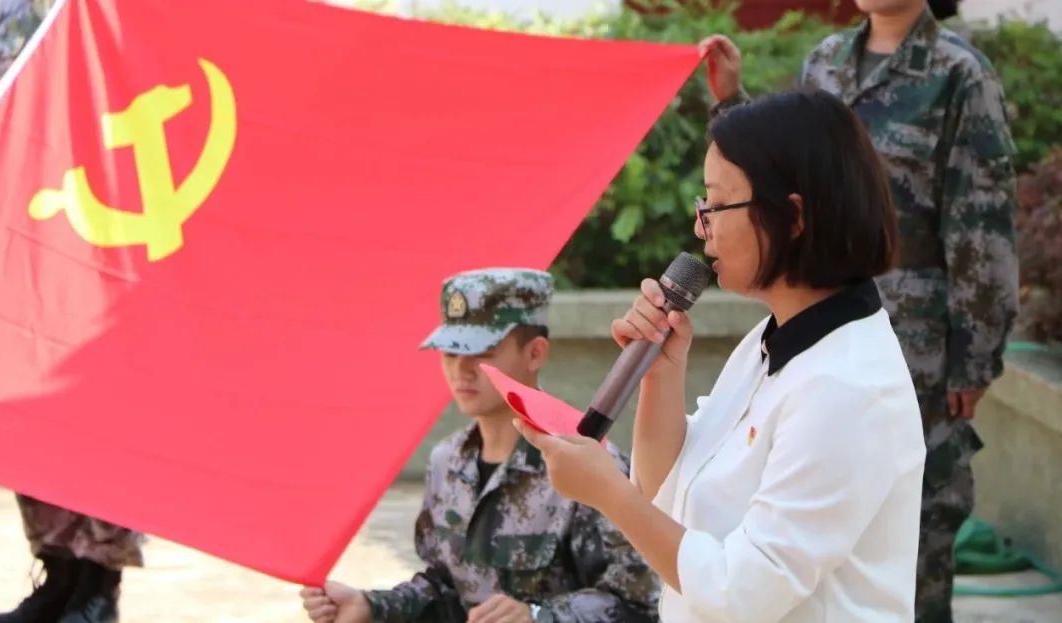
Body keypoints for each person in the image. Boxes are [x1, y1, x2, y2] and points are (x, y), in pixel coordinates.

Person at [517, 90, 926, 622]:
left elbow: (744, 592)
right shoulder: (772, 340)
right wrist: (660, 375)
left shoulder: (847, 387)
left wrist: (609, 495)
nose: (700, 226)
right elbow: (668, 495)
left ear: (793, 217)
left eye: (715, 205)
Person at [697, 1, 1019, 620]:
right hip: (817, 320)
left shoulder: (959, 73)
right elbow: (781, 177)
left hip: (920, 342)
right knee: (807, 540)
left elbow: (981, 225)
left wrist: (974, 359)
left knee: (915, 538)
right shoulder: (827, 60)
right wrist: (732, 104)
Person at [300, 268, 660, 623]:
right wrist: (371, 606)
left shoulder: (586, 462)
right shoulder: (447, 461)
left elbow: (641, 600)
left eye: (482, 352)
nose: (462, 369)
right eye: (450, 353)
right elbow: (444, 589)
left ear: (535, 353)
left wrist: (540, 617)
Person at [0, 3, 145, 623]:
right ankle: (59, 575)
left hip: (108, 233)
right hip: (28, 230)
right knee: (34, 413)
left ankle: (99, 587)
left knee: (102, 417)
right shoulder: (12, 12)